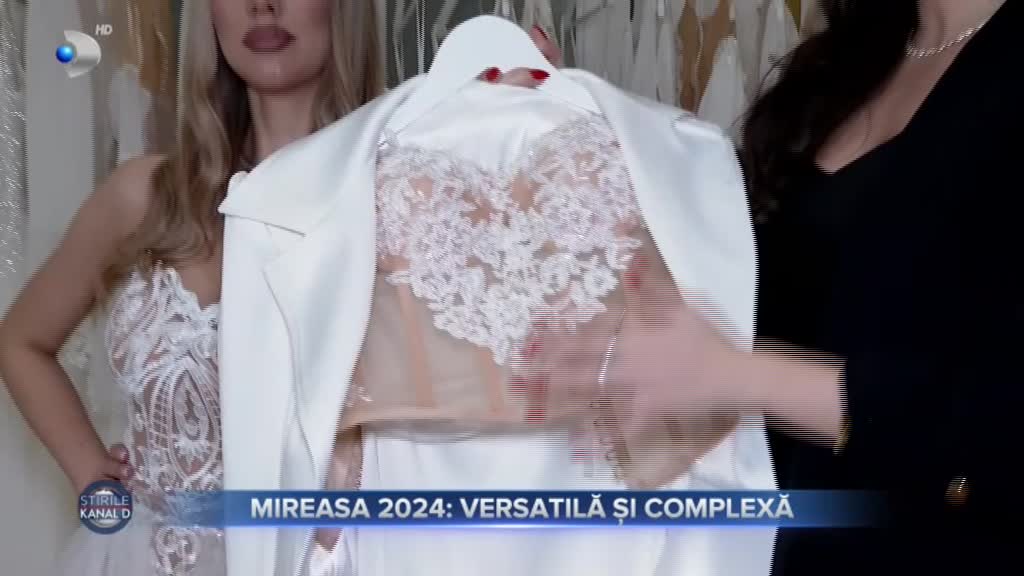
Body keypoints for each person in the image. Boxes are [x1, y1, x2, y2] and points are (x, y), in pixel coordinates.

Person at [520, 0, 1018, 574]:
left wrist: (742, 375)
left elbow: (995, 410)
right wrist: (581, 123)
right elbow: (756, 270)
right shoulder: (849, 57)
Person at [0, 0, 381, 574]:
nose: (262, 5)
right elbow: (21, 342)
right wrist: (93, 476)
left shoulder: (400, 202)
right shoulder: (146, 196)